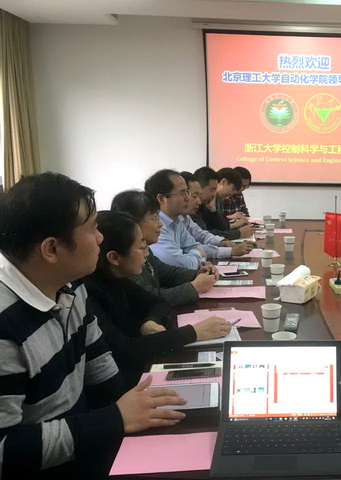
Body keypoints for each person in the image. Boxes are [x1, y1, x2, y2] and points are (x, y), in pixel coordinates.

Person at [0, 173, 186, 478]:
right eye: (92, 228)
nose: (100, 238)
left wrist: (138, 408)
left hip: (86, 445)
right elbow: (5, 450)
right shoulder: (5, 323)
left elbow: (101, 367)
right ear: (51, 249)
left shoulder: (72, 287)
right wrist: (116, 419)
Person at [85, 211, 232, 388]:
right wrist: (193, 332)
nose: (146, 254)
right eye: (141, 247)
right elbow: (124, 350)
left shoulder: (117, 278)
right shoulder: (88, 293)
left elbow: (157, 302)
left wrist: (151, 321)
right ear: (114, 257)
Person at [111, 190, 219, 306]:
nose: (160, 224)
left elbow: (168, 273)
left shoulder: (146, 249)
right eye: (155, 218)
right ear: (131, 223)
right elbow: (150, 299)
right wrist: (195, 286)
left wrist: (197, 273)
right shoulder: (126, 258)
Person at [145, 169, 223, 268]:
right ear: (161, 199)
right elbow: (180, 263)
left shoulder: (176, 221)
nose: (187, 198)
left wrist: (193, 256)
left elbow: (197, 247)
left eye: (187, 192)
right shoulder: (155, 226)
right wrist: (197, 256)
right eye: (182, 193)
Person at [180, 171, 253, 257]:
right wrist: (232, 248)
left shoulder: (186, 218)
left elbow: (202, 236)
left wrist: (222, 242)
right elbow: (187, 252)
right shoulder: (172, 221)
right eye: (194, 196)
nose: (198, 201)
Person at [197, 167, 255, 240]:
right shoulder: (198, 206)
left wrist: (213, 210)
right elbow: (205, 235)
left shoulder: (211, 202)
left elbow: (221, 227)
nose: (233, 193)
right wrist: (238, 232)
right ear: (223, 182)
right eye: (212, 190)